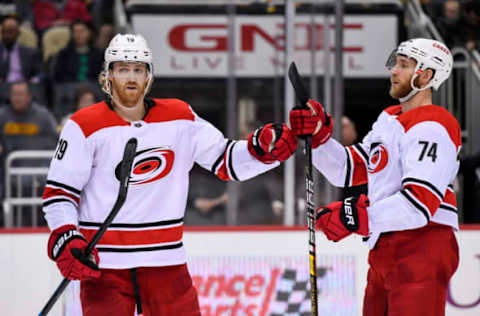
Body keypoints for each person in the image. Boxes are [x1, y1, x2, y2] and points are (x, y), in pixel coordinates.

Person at [42, 33, 297, 315]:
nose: (130, 77)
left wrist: (264, 151)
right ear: (108, 75)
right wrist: (66, 234)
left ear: (148, 76)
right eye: (122, 69)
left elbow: (225, 161)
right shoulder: (83, 125)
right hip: (105, 266)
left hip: (166, 263)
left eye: (138, 69)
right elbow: (59, 194)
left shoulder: (179, 117)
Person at [289, 38, 460, 316]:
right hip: (385, 246)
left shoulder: (434, 125)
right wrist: (318, 136)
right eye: (396, 64)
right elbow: (346, 169)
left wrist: (353, 216)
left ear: (426, 75)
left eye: (404, 66)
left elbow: (420, 204)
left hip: (423, 245)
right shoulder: (389, 120)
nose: (393, 70)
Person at [0, 16, 44, 84]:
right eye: (4, 32)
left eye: (10, 32)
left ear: (18, 33)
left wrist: (33, 81)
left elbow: (41, 74)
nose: (6, 36)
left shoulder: (31, 53)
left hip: (25, 87)